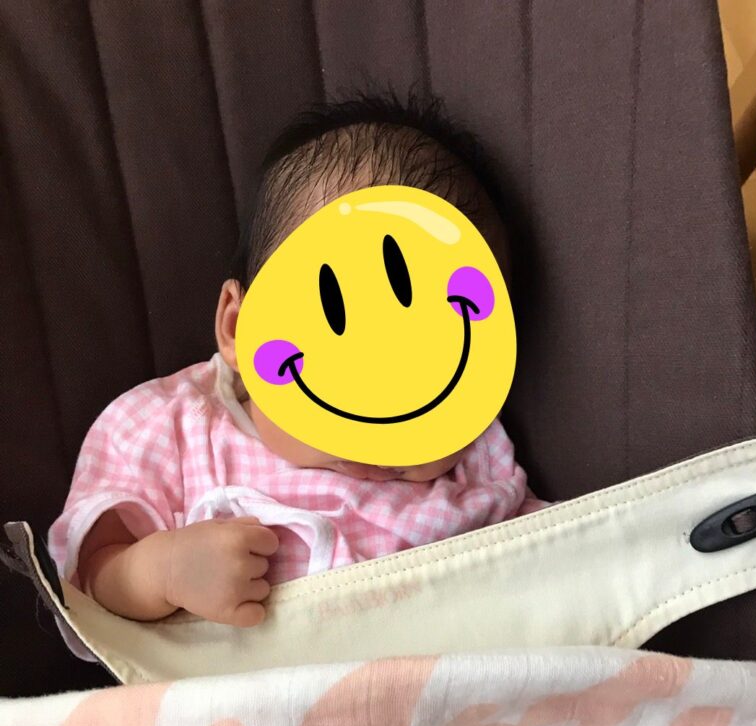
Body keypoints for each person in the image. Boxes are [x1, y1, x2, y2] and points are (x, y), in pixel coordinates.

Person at [48, 94, 545, 629]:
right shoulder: (174, 429)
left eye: (415, 370)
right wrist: (163, 570)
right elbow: (88, 576)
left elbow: (557, 555)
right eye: (349, 364)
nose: (376, 430)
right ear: (238, 327)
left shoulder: (474, 454)